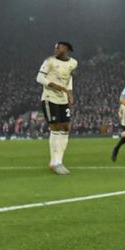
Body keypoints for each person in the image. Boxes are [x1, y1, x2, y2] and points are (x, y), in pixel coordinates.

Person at [36, 41, 78, 174]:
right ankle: (56, 162)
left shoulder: (73, 63)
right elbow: (39, 78)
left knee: (66, 128)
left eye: (58, 47)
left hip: (63, 99)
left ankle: (59, 160)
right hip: (50, 98)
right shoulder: (49, 62)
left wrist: (70, 93)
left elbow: (69, 78)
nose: (55, 49)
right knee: (55, 127)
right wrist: (56, 86)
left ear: (65, 49)